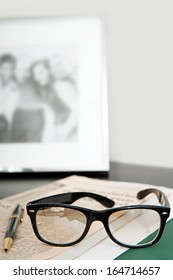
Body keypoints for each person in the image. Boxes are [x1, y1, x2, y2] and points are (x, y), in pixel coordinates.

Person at [49, 54, 78, 141]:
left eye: (59, 64)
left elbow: (78, 110)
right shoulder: (60, 82)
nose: (55, 69)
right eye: (52, 66)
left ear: (68, 65)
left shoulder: (63, 84)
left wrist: (64, 130)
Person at [0, 54, 20, 142]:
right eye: (3, 68)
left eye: (10, 69)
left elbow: (11, 110)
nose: (6, 72)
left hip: (6, 124)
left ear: (13, 70)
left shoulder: (15, 87)